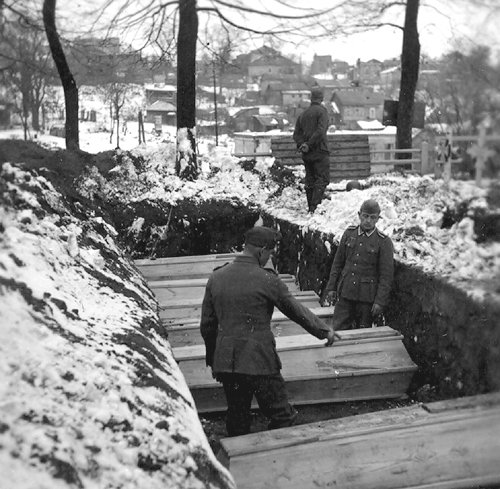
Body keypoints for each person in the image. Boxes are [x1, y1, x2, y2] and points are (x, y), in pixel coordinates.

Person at [200, 226, 339, 437]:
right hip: (259, 361)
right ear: (261, 251)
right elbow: (295, 310)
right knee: (282, 415)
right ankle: (274, 459)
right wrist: (324, 331)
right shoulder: (267, 280)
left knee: (237, 415)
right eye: (269, 254)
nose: (268, 259)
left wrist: (213, 359)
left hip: (227, 362)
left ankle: (241, 462)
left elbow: (207, 325)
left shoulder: (217, 277)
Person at [322, 199, 394, 329]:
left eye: (373, 217)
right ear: (359, 215)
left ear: (378, 219)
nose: (368, 220)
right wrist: (331, 287)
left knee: (362, 334)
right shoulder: (349, 234)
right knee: (337, 329)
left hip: (366, 299)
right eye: (365, 216)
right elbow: (338, 263)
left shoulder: (384, 242)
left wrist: (379, 301)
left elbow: (386, 276)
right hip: (346, 293)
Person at [293, 86, 330, 213]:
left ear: (311, 98)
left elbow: (296, 134)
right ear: (322, 98)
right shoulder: (322, 111)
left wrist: (302, 144)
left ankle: (310, 207)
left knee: (310, 180)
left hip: (307, 154)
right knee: (322, 179)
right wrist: (309, 144)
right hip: (320, 151)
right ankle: (315, 208)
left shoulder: (303, 114)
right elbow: (321, 131)